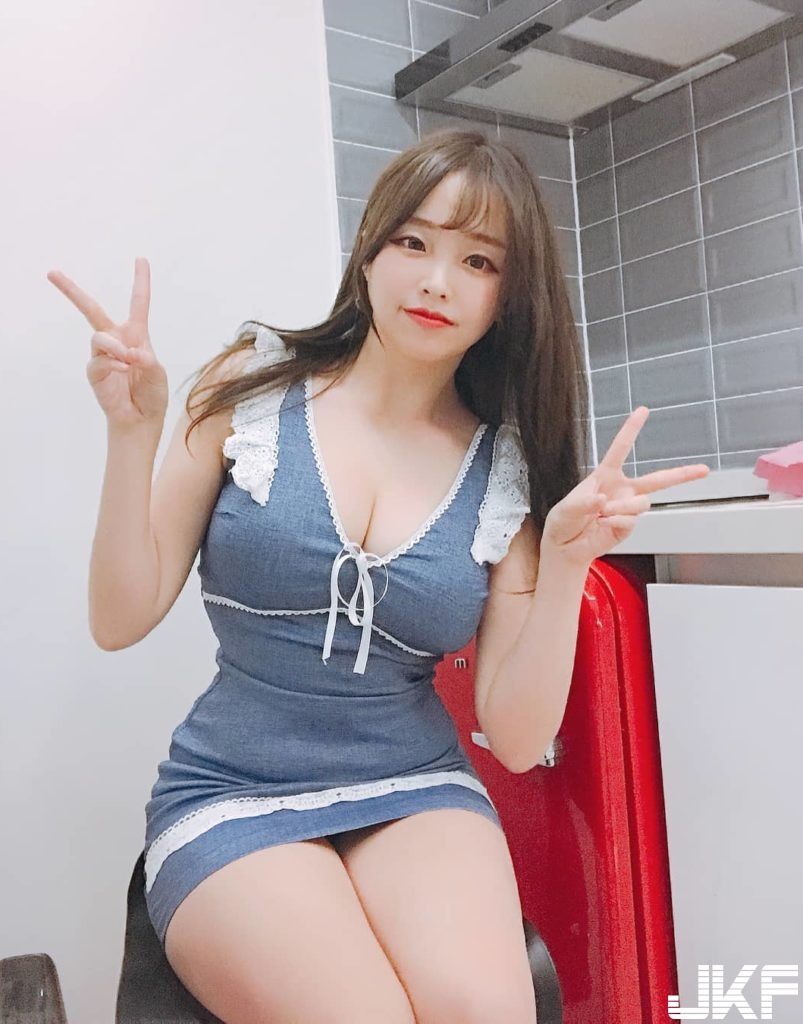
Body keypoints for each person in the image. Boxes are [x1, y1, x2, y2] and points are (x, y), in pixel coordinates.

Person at [47, 128, 709, 1024]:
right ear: (369, 249)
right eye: (413, 241)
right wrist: (132, 434)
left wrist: (563, 565)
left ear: (507, 297)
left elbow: (516, 741)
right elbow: (119, 618)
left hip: (414, 786)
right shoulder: (249, 390)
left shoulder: (501, 471)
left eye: (477, 261)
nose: (436, 280)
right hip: (233, 789)